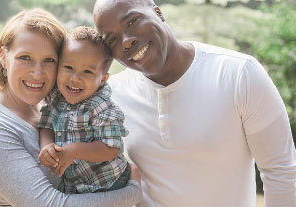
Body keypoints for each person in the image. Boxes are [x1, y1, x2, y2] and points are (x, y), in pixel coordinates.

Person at [93, 0, 296, 206]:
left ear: (158, 12)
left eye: (132, 21)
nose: (126, 41)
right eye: (112, 40)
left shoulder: (239, 74)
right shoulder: (111, 97)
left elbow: (280, 170)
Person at [0, 8, 142, 207]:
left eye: (49, 60)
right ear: (4, 58)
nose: (37, 73)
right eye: (25, 57)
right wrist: (134, 192)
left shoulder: (57, 106)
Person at [38, 26, 130, 194]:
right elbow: (46, 125)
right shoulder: (55, 98)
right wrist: (47, 146)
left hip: (108, 181)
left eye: (87, 71)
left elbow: (111, 148)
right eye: (68, 67)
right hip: (77, 184)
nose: (75, 78)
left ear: (102, 79)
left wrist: (75, 150)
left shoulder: (102, 107)